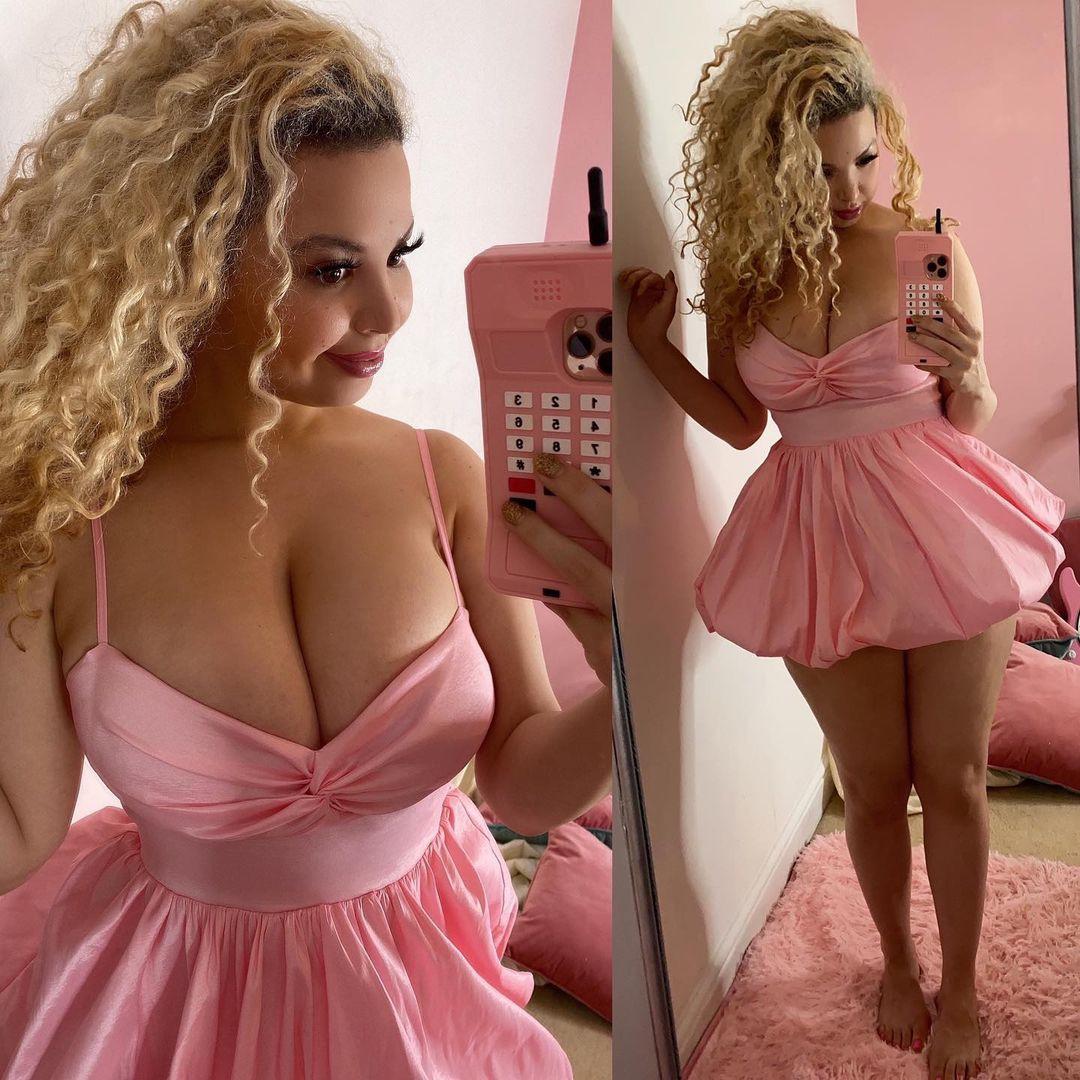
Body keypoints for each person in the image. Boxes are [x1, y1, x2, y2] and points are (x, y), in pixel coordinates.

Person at [0, 1, 612, 1076]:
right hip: (168, 1015)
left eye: (399, 254)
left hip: (425, 1000)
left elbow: (519, 785)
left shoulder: (441, 475)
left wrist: (635, 678)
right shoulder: (54, 523)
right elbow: (19, 830)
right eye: (330, 270)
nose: (389, 311)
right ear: (187, 258)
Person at [617, 8, 1064, 1080]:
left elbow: (970, 414)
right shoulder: (744, 274)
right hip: (815, 537)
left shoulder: (926, 245)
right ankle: (897, 961)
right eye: (819, 170)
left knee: (953, 774)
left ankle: (964, 987)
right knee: (871, 782)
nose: (851, 187)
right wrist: (652, 351)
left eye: (863, 157)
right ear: (767, 167)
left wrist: (972, 371)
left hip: (941, 521)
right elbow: (742, 424)